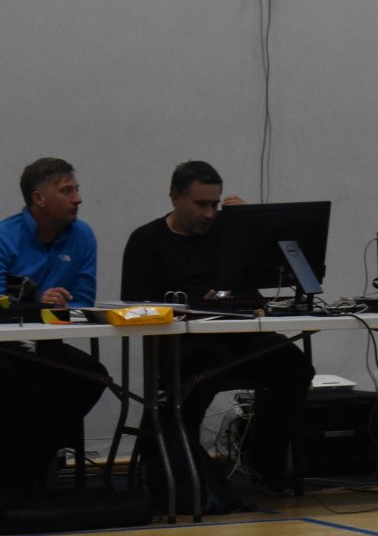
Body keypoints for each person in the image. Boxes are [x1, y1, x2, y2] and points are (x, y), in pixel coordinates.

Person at [120, 160, 313, 497]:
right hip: (181, 343)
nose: (209, 214)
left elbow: (259, 284)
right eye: (201, 204)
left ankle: (264, 456)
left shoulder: (227, 234)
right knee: (204, 365)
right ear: (175, 198)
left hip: (238, 336)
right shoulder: (147, 240)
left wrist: (251, 228)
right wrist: (194, 305)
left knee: (294, 367)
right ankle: (186, 473)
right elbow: (136, 308)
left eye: (215, 204)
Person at [0, 159, 109, 492]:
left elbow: (82, 303)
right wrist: (35, 304)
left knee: (92, 376)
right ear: (39, 199)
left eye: (76, 189)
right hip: (7, 347)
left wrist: (56, 309)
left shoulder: (83, 236)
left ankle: (33, 462)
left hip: (49, 344)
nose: (78, 199)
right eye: (67, 190)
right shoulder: (5, 236)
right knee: (10, 380)